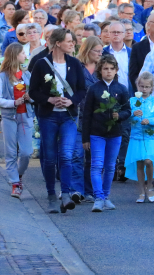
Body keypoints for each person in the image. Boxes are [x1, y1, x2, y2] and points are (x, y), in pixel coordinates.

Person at [29, 28, 86, 214]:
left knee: (66, 155)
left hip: (68, 116)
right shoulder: (41, 64)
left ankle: (67, 193)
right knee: (50, 157)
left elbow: (82, 90)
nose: (73, 44)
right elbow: (33, 91)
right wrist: (49, 99)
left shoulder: (75, 64)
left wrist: (71, 100)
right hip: (49, 116)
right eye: (69, 41)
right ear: (58, 43)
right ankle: (51, 195)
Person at [82, 55, 131, 212]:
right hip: (96, 133)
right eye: (105, 69)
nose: (108, 72)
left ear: (116, 70)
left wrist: (120, 116)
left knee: (110, 166)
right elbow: (87, 114)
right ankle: (98, 197)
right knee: (97, 165)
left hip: (115, 133)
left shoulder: (121, 89)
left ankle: (106, 196)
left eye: (111, 69)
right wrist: (85, 138)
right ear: (100, 70)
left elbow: (127, 110)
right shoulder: (94, 89)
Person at [0, 43, 33, 198]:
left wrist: (31, 98)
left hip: (26, 116)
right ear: (15, 55)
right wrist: (13, 103)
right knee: (10, 152)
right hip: (10, 117)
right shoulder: (2, 76)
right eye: (23, 53)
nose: (25, 56)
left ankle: (18, 175)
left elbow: (35, 94)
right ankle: (15, 183)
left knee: (26, 152)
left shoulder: (27, 74)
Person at [125, 72, 154, 202]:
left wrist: (150, 120)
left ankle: (150, 186)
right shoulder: (132, 101)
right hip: (136, 135)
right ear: (137, 86)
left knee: (148, 160)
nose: (144, 89)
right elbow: (127, 117)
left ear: (152, 87)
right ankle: (141, 191)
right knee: (139, 163)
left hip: (149, 136)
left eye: (147, 87)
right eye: (141, 86)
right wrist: (133, 114)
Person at [75, 36, 105, 203]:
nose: (100, 54)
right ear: (87, 50)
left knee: (93, 157)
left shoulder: (103, 68)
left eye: (101, 51)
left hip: (97, 118)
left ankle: (90, 190)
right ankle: (76, 189)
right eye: (97, 51)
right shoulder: (77, 66)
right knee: (77, 154)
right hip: (79, 116)